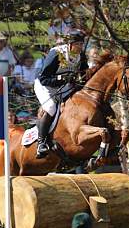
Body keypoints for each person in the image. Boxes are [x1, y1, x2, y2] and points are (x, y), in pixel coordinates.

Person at [33, 29, 88, 158]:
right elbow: (43, 78)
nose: (80, 47)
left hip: (63, 87)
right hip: (45, 86)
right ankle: (41, 143)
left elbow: (85, 75)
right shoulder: (56, 53)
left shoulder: (81, 56)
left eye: (81, 44)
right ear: (70, 44)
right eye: (78, 44)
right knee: (51, 108)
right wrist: (62, 79)